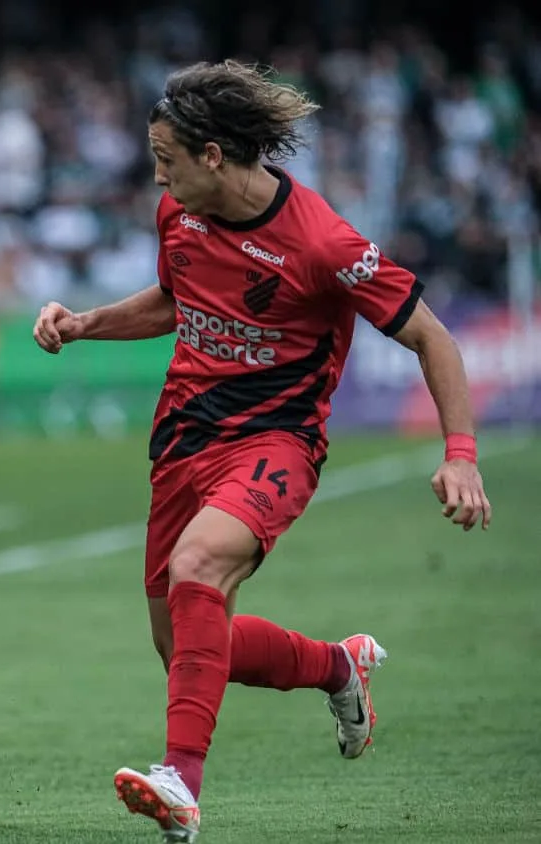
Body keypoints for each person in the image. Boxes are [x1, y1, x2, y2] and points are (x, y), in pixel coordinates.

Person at [32, 61, 492, 843]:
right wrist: (85, 324)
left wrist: (461, 452)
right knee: (185, 646)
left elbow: (431, 336)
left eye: (166, 159)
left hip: (276, 441)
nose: (157, 176)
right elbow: (176, 302)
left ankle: (181, 782)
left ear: (213, 156)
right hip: (183, 437)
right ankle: (337, 667)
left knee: (197, 567)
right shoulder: (177, 214)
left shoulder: (323, 242)